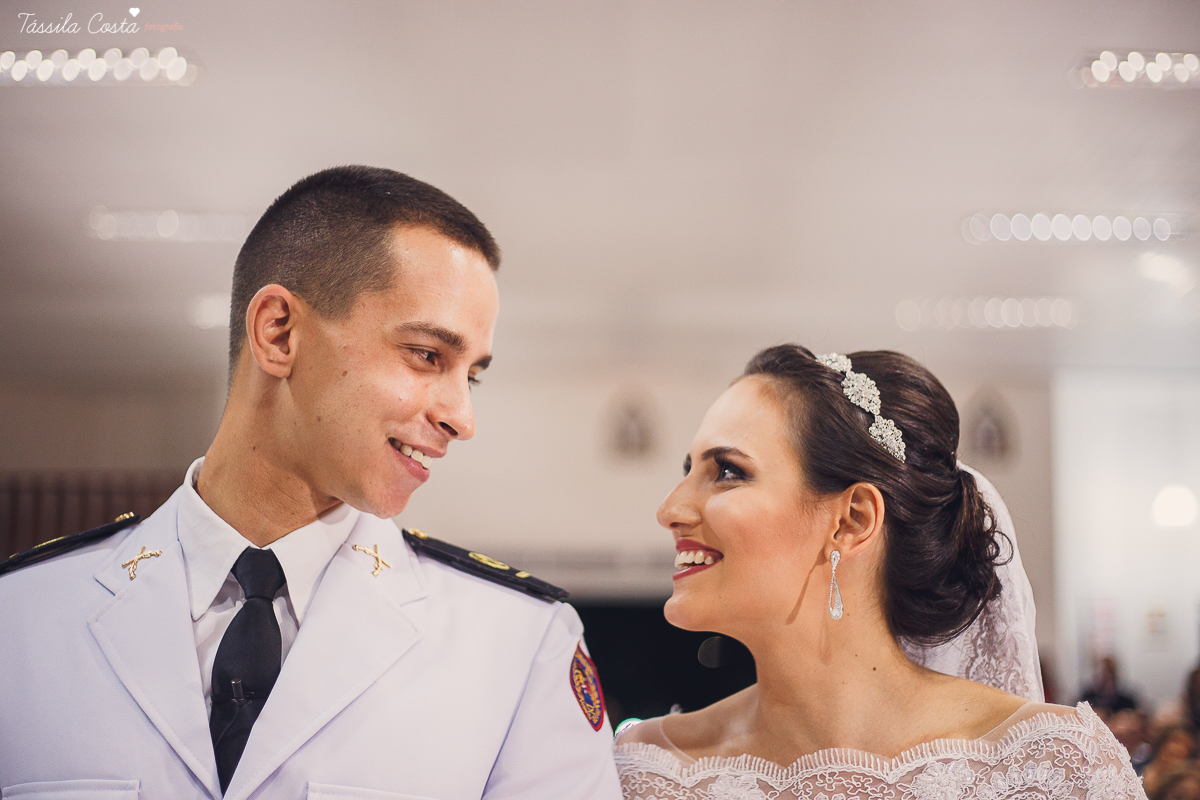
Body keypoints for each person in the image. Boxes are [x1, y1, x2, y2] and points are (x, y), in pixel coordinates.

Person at [0, 166, 621, 800]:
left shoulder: (515, 645)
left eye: (473, 375)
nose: (461, 417)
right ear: (279, 332)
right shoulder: (20, 621)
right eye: (427, 355)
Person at [615, 344, 1144, 800]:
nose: (670, 509)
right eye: (688, 472)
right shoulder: (645, 773)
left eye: (727, 471)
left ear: (852, 519)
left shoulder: (1055, 769)